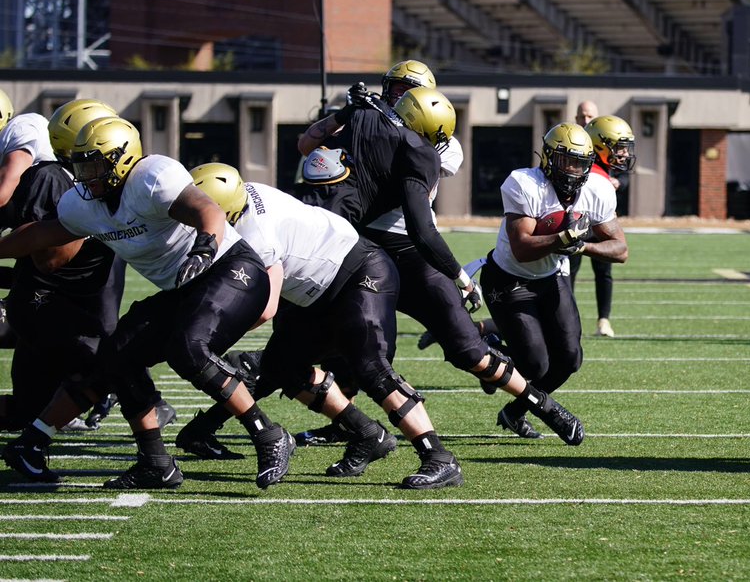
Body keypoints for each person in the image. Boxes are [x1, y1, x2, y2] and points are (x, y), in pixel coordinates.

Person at [0, 116, 294, 489]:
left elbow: (208, 210)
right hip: (182, 287)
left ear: (121, 159)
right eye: (79, 164)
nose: (84, 175)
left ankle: (269, 436)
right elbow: (41, 234)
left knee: (188, 347)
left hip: (230, 269)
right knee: (116, 356)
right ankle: (143, 460)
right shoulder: (83, 204)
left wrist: (204, 247)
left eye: (93, 164)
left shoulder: (151, 176)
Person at [297, 84, 585, 445]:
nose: (395, 100)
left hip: (412, 252)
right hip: (362, 246)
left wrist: (458, 274)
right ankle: (351, 426)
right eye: (395, 90)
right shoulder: (365, 118)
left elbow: (421, 226)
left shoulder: (427, 149)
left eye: (406, 94)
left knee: (468, 349)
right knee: (355, 341)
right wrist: (344, 113)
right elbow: (308, 146)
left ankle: (543, 406)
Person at [183, 163, 462, 488]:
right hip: (321, 288)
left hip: (360, 273)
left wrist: (209, 335)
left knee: (371, 368)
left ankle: (439, 458)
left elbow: (265, 308)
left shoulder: (256, 235)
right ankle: (367, 434)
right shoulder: (245, 192)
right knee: (281, 365)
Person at [481, 122, 628, 440]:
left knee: (570, 358)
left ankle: (514, 412)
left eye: (580, 162)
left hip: (550, 276)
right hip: (509, 278)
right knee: (534, 365)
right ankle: (492, 356)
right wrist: (563, 238)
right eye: (566, 160)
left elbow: (620, 249)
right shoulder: (523, 182)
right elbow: (521, 248)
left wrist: (582, 246)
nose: (573, 169)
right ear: (548, 158)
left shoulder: (597, 189)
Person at [0, 100, 135, 433]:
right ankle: (156, 458)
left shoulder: (92, 184)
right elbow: (48, 261)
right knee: (112, 369)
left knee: (27, 411)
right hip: (43, 306)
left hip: (58, 303)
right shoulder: (50, 177)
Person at [568, 107, 636, 338]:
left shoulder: (593, 169)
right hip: (568, 234)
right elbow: (621, 250)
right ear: (599, 145)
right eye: (620, 147)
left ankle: (595, 320)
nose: (625, 154)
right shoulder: (597, 180)